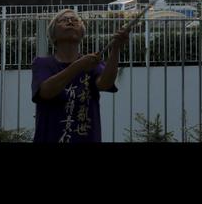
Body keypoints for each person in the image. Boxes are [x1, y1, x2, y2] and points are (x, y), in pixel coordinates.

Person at [31, 9, 129, 143]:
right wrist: (78, 66)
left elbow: (105, 83)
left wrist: (116, 48)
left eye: (75, 20)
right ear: (53, 35)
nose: (70, 22)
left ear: (82, 34)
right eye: (64, 20)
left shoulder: (92, 63)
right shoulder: (42, 63)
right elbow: (46, 92)